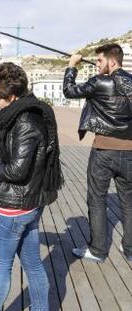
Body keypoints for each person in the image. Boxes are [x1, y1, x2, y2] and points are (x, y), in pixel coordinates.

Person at [0, 63, 63, 311]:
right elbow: (16, 160)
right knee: (33, 264)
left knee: (0, 267)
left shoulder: (24, 121)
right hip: (31, 205)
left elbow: (16, 170)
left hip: (12, 208)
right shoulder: (34, 113)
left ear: (11, 96)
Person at [63, 43, 132, 262]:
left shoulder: (100, 82)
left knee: (96, 198)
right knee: (129, 202)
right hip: (130, 152)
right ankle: (130, 250)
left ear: (112, 61)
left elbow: (69, 91)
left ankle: (98, 250)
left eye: (100, 61)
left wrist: (72, 66)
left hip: (103, 151)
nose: (97, 65)